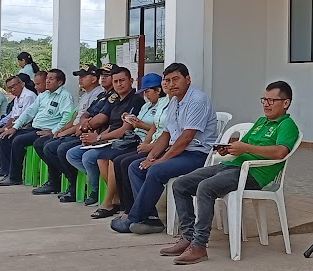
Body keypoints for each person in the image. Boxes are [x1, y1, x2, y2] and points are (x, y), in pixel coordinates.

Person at [161, 81, 300, 265]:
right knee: (181, 184)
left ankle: (199, 245)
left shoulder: (287, 125)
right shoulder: (261, 122)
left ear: (286, 103)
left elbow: (280, 152)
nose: (266, 104)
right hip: (233, 166)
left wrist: (245, 148)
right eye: (264, 99)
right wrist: (229, 149)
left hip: (254, 174)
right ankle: (188, 237)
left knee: (206, 188)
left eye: (271, 100)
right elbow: (244, 146)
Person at [112, 62, 218, 235]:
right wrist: (151, 156)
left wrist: (160, 161)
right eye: (167, 80)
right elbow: (166, 134)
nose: (171, 84)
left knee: (156, 170)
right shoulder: (174, 101)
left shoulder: (197, 100)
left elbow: (186, 138)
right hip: (181, 152)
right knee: (136, 167)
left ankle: (135, 217)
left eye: (176, 79)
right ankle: (150, 218)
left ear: (188, 79)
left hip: (198, 154)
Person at [61, 66, 144, 205]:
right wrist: (96, 140)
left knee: (90, 157)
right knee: (72, 153)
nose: (119, 84)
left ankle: (99, 191)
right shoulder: (116, 100)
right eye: (116, 81)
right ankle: (105, 186)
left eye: (122, 80)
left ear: (131, 81)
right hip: (109, 139)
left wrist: (99, 138)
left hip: (124, 141)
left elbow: (125, 129)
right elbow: (111, 125)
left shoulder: (136, 100)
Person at [93, 74, 167, 219]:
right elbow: (150, 127)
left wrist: (143, 135)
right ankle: (118, 200)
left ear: (158, 90)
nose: (146, 95)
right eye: (144, 92)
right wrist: (130, 119)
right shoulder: (146, 105)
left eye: (148, 91)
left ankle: (127, 207)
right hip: (136, 139)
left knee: (121, 161)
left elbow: (158, 129)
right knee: (103, 156)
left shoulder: (164, 104)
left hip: (148, 142)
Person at [0, 69, 75, 186]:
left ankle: (15, 177)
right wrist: (15, 127)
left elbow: (66, 117)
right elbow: (29, 112)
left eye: (51, 79)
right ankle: (8, 172)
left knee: (20, 141)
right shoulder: (43, 95)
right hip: (35, 128)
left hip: (48, 131)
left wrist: (53, 131)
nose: (47, 81)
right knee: (6, 137)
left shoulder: (65, 96)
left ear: (60, 82)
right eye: (47, 78)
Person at [36, 63, 106, 195]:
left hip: (84, 133)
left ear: (93, 79)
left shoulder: (97, 94)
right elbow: (76, 117)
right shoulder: (85, 94)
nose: (80, 79)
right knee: (42, 144)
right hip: (75, 130)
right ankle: (57, 180)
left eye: (83, 76)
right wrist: (62, 129)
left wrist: (64, 132)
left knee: (57, 148)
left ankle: (73, 184)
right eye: (79, 76)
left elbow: (84, 123)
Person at [0, 75, 34, 179]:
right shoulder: (17, 98)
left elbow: (24, 118)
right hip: (18, 125)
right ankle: (2, 166)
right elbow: (12, 117)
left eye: (14, 86)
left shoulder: (28, 96)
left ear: (22, 84)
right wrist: (4, 127)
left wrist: (7, 129)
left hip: (27, 126)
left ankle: (10, 171)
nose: (12, 90)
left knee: (5, 137)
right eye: (10, 88)